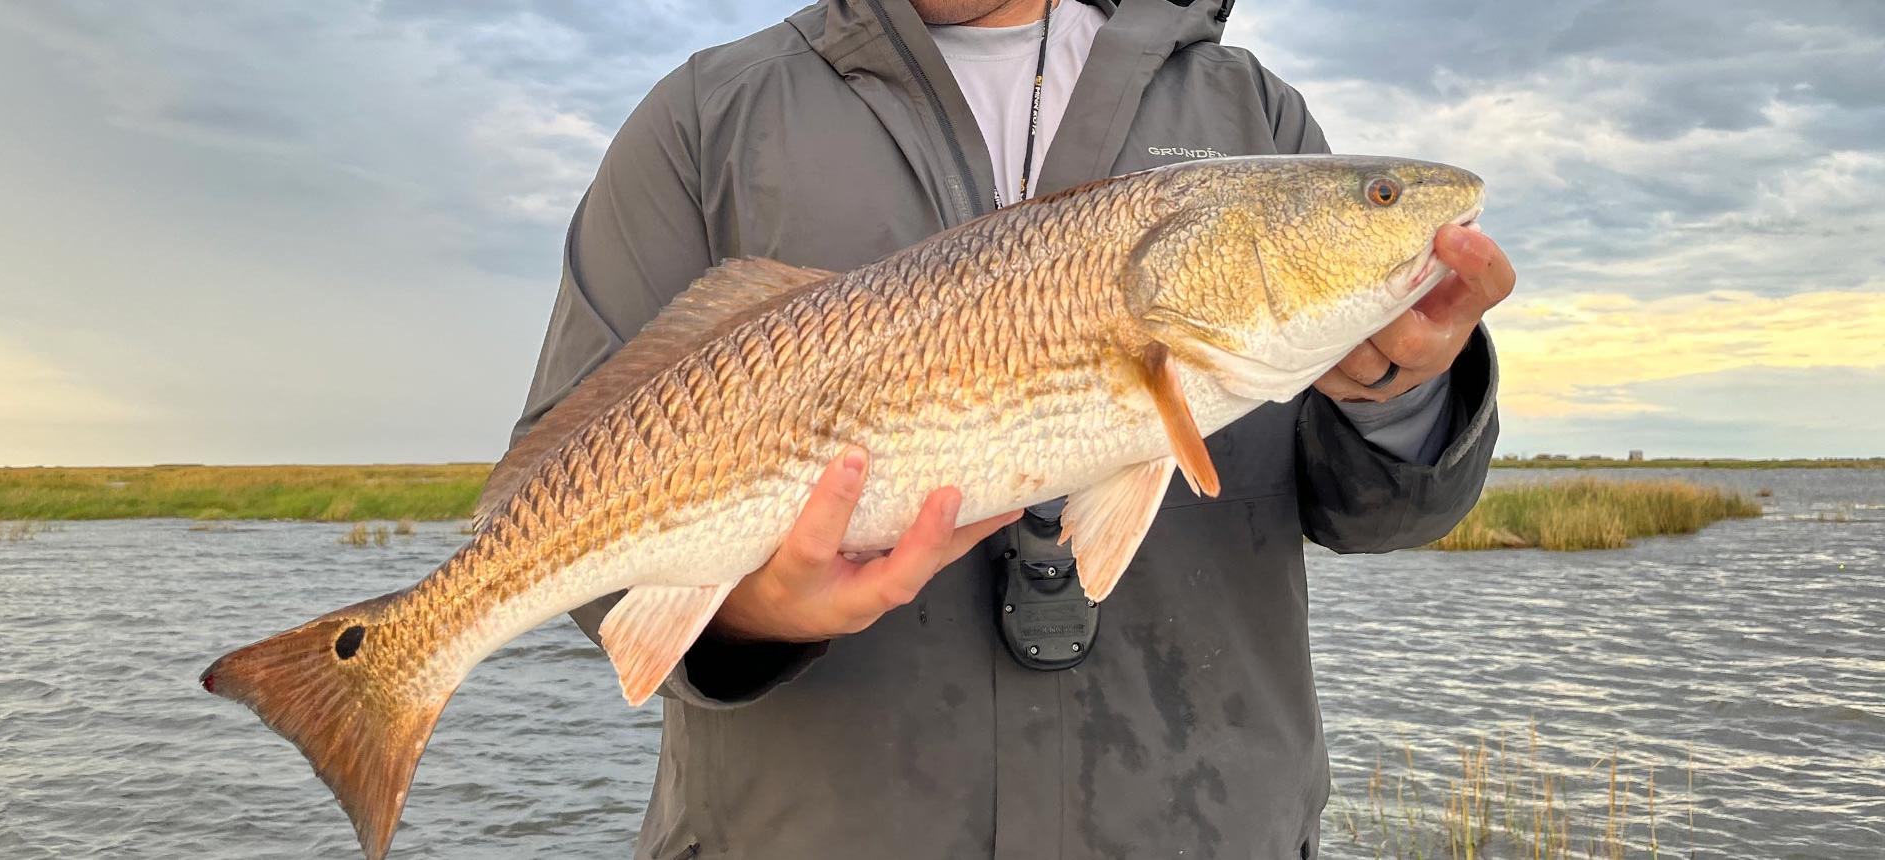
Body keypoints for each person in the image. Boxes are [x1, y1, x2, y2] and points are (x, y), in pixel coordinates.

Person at [490, 1, 1516, 857]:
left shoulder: (1249, 114)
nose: (1404, 209)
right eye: (1377, 198)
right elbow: (566, 489)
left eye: (1383, 200)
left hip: (1206, 821)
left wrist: (1401, 386)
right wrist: (753, 614)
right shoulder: (705, 121)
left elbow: (1372, 510)